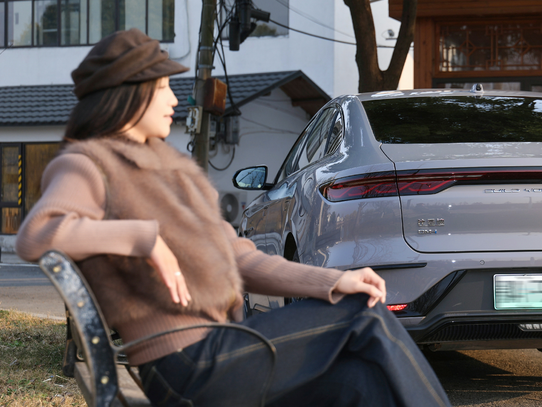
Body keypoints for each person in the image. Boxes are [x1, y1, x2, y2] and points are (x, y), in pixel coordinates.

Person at [16, 29, 452, 407]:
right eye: (163, 87)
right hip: (186, 365)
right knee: (363, 314)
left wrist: (335, 281)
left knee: (360, 381)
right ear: (131, 92)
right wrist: (146, 239)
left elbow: (242, 258)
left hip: (220, 348)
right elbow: (36, 234)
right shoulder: (88, 163)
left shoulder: (166, 171)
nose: (174, 99)